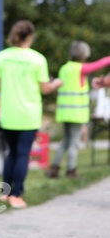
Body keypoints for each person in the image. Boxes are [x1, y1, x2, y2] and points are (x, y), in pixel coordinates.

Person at [0, 20, 63, 209]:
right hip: (29, 114)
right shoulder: (38, 59)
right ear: (30, 36)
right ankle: (17, 194)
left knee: (11, 153)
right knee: (23, 154)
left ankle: (5, 193)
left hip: (8, 113)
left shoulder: (1, 57)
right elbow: (45, 88)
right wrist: (55, 84)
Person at [45, 41, 110, 178]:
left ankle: (54, 168)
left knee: (66, 141)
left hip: (64, 112)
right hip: (76, 113)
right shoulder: (80, 68)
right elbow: (98, 64)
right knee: (74, 143)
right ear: (84, 55)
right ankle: (71, 170)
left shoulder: (64, 68)